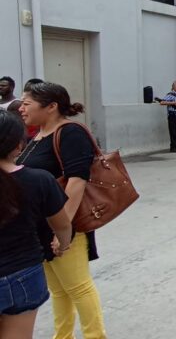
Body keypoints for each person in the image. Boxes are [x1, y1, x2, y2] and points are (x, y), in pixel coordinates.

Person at [16, 82, 107, 339]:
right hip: (40, 225)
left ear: (52, 106)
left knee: (78, 287)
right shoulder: (37, 135)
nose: (21, 108)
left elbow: (77, 181)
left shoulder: (70, 133)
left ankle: (95, 336)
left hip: (66, 225)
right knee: (58, 290)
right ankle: (62, 336)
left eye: (27, 103)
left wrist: (62, 228)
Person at [0, 110, 73, 339]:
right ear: (18, 146)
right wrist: (62, 244)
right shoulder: (39, 179)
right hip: (23, 273)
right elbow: (62, 225)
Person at [157, 80, 176, 153]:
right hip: (172, 116)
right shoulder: (170, 95)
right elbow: (162, 102)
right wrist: (174, 103)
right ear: (173, 87)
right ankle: (173, 147)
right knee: (173, 131)